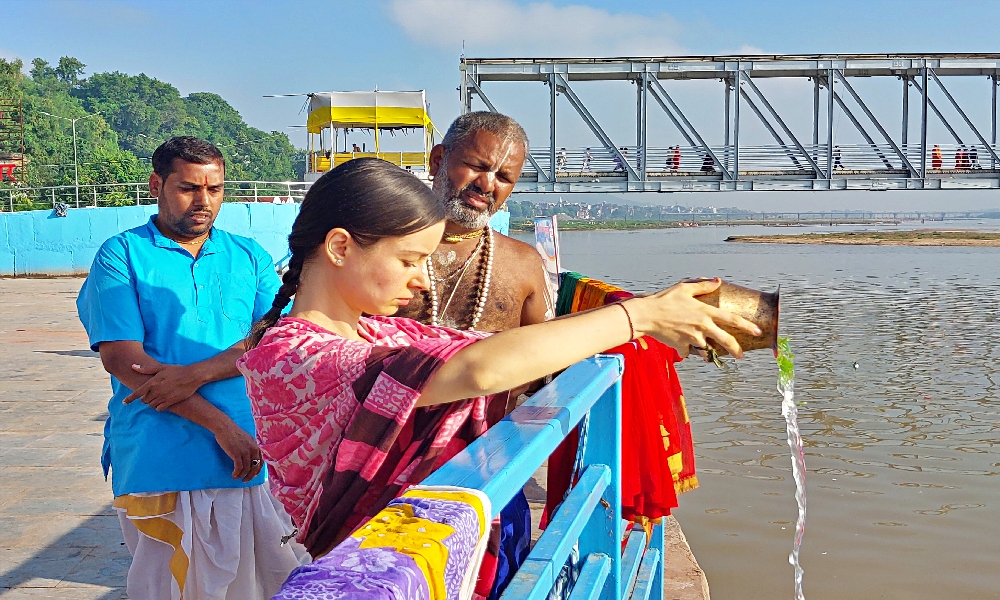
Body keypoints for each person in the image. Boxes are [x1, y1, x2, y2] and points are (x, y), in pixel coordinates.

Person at [237, 158, 758, 564]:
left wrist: (674, 323)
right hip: (368, 569)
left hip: (416, 555)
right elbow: (477, 370)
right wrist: (639, 317)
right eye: (408, 260)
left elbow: (492, 351)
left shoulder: (378, 329)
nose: (421, 279)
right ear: (339, 247)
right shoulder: (295, 355)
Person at [77, 137, 302, 600]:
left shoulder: (249, 256)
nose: (204, 201)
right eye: (189, 188)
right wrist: (221, 426)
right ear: (157, 184)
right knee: (171, 588)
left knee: (267, 584)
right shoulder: (121, 255)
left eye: (215, 189)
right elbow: (124, 359)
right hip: (160, 452)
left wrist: (194, 374)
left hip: (251, 455)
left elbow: (274, 338)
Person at [396, 112, 551, 334]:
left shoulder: (525, 264)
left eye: (503, 178)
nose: (487, 185)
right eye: (477, 166)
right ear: (438, 161)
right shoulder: (379, 244)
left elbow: (544, 356)